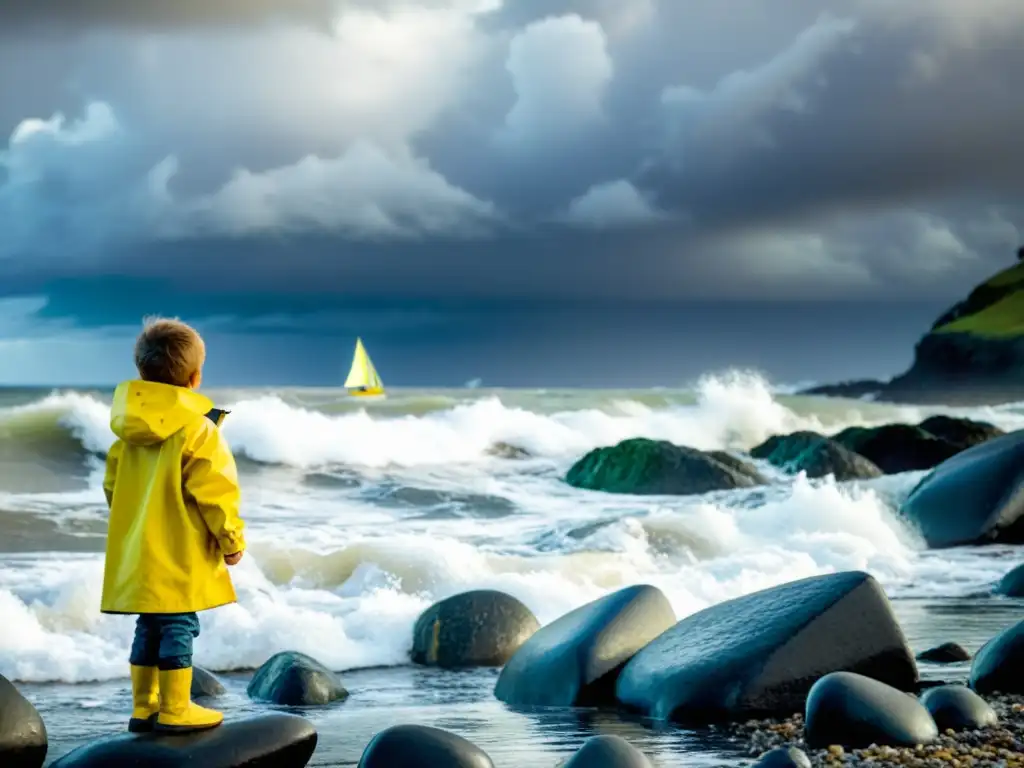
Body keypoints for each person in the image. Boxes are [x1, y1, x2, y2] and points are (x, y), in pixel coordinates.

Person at [101, 317, 246, 734]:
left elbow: (113, 489)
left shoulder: (125, 432)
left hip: (139, 551)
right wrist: (231, 541)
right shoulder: (198, 429)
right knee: (179, 623)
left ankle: (144, 707)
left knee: (149, 623)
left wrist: (135, 524)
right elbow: (216, 493)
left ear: (141, 370)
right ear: (195, 377)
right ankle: (176, 709)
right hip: (180, 552)